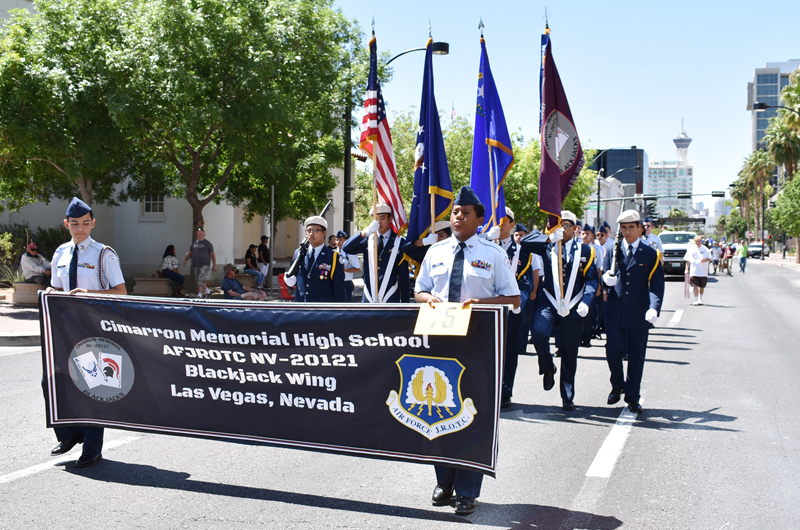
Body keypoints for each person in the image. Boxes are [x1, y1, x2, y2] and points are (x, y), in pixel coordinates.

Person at [414, 186, 520, 516]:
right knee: (437, 408)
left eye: (465, 213)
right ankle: (444, 480)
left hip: (478, 345)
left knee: (471, 415)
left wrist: (481, 304)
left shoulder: (492, 254)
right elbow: (419, 289)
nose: (458, 217)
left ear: (480, 219)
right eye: (455, 212)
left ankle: (468, 490)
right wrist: (427, 298)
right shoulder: (436, 252)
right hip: (441, 341)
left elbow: (514, 299)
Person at [46, 197, 127, 468]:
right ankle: (70, 434)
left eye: (84, 223)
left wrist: (88, 293)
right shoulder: (61, 253)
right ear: (66, 224)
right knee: (53, 382)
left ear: (93, 223)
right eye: (74, 223)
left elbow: (121, 293)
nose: (79, 228)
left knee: (94, 387)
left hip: (95, 328)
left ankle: (92, 449)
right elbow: (58, 289)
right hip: (66, 328)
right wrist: (51, 293)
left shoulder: (104, 254)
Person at [520, 211, 599, 411]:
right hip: (549, 302)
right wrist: (548, 236)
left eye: (565, 225)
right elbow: (525, 242)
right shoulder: (547, 246)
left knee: (570, 351)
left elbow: (591, 280)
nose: (561, 228)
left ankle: (567, 393)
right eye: (557, 224)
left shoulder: (586, 251)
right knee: (538, 333)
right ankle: (547, 367)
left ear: (575, 229)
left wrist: (587, 302)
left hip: (574, 304)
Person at [602, 209, 664, 415]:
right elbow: (605, 273)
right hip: (615, 310)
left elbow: (656, 285)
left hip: (638, 312)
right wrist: (606, 281)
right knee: (612, 349)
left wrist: (654, 308)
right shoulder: (613, 249)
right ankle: (617, 384)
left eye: (631, 227)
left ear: (639, 228)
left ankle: (632, 396)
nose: (627, 232)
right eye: (623, 228)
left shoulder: (650, 253)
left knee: (637, 356)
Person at [496, 210, 534, 408]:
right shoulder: (484, 247)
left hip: (512, 310)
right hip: (487, 310)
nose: (499, 225)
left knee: (509, 352)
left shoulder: (522, 252)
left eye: (504, 221)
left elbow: (526, 284)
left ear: (512, 225)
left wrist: (518, 303)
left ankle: (505, 390)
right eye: (496, 221)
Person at [343, 203, 409, 303]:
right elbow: (346, 248)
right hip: (369, 295)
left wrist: (405, 304)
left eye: (382, 218)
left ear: (389, 219)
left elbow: (404, 275)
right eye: (375, 218)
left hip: (390, 294)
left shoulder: (400, 242)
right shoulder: (368, 240)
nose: (379, 222)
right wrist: (364, 232)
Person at [284, 216, 347, 303]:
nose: (311, 233)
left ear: (324, 233)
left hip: (322, 311)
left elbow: (339, 288)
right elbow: (294, 280)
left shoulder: (333, 257)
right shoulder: (299, 253)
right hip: (301, 308)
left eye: (315, 230)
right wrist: (289, 277)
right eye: (309, 230)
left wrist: (339, 313)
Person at [579, 224, 604, 348]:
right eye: (582, 233)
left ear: (592, 236)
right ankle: (578, 337)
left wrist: (598, 286)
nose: (584, 236)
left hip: (591, 283)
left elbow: (599, 269)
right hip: (578, 284)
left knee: (589, 312)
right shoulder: (576, 248)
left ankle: (586, 338)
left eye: (587, 234)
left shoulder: (596, 250)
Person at [183, 227, 216, 297]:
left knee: (201, 278)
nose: (199, 235)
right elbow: (190, 253)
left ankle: (200, 294)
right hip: (196, 264)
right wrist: (185, 260)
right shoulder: (194, 243)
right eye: (198, 234)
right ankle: (208, 292)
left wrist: (214, 265)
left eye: (201, 234)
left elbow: (212, 255)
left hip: (205, 264)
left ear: (204, 234)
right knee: (200, 280)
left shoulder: (208, 244)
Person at [684, 235, 712, 306]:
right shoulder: (691, 249)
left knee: (701, 286)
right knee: (695, 285)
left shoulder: (705, 249)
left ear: (701, 241)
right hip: (694, 271)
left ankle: (700, 298)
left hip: (703, 271)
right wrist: (686, 269)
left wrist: (705, 259)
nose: (697, 243)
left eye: (699, 241)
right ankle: (696, 299)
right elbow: (688, 260)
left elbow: (710, 258)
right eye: (696, 241)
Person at [335, 230, 361, 302]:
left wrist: (343, 269)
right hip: (336, 282)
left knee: (345, 306)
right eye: (337, 240)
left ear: (346, 240)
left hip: (346, 282)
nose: (338, 242)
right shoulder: (333, 252)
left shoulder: (350, 253)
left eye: (340, 240)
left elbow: (357, 269)